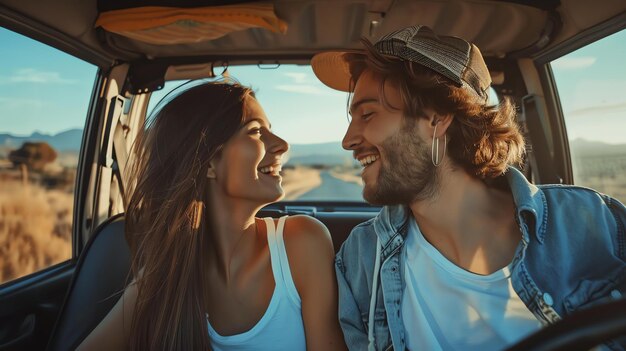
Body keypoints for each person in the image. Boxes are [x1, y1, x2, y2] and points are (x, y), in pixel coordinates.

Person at [311, 25, 626, 350]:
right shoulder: (361, 259)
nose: (347, 140)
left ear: (437, 118)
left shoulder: (593, 224)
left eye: (367, 114)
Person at [77, 80, 346, 350]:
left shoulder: (303, 242)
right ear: (208, 163)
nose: (281, 145)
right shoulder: (165, 275)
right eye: (255, 131)